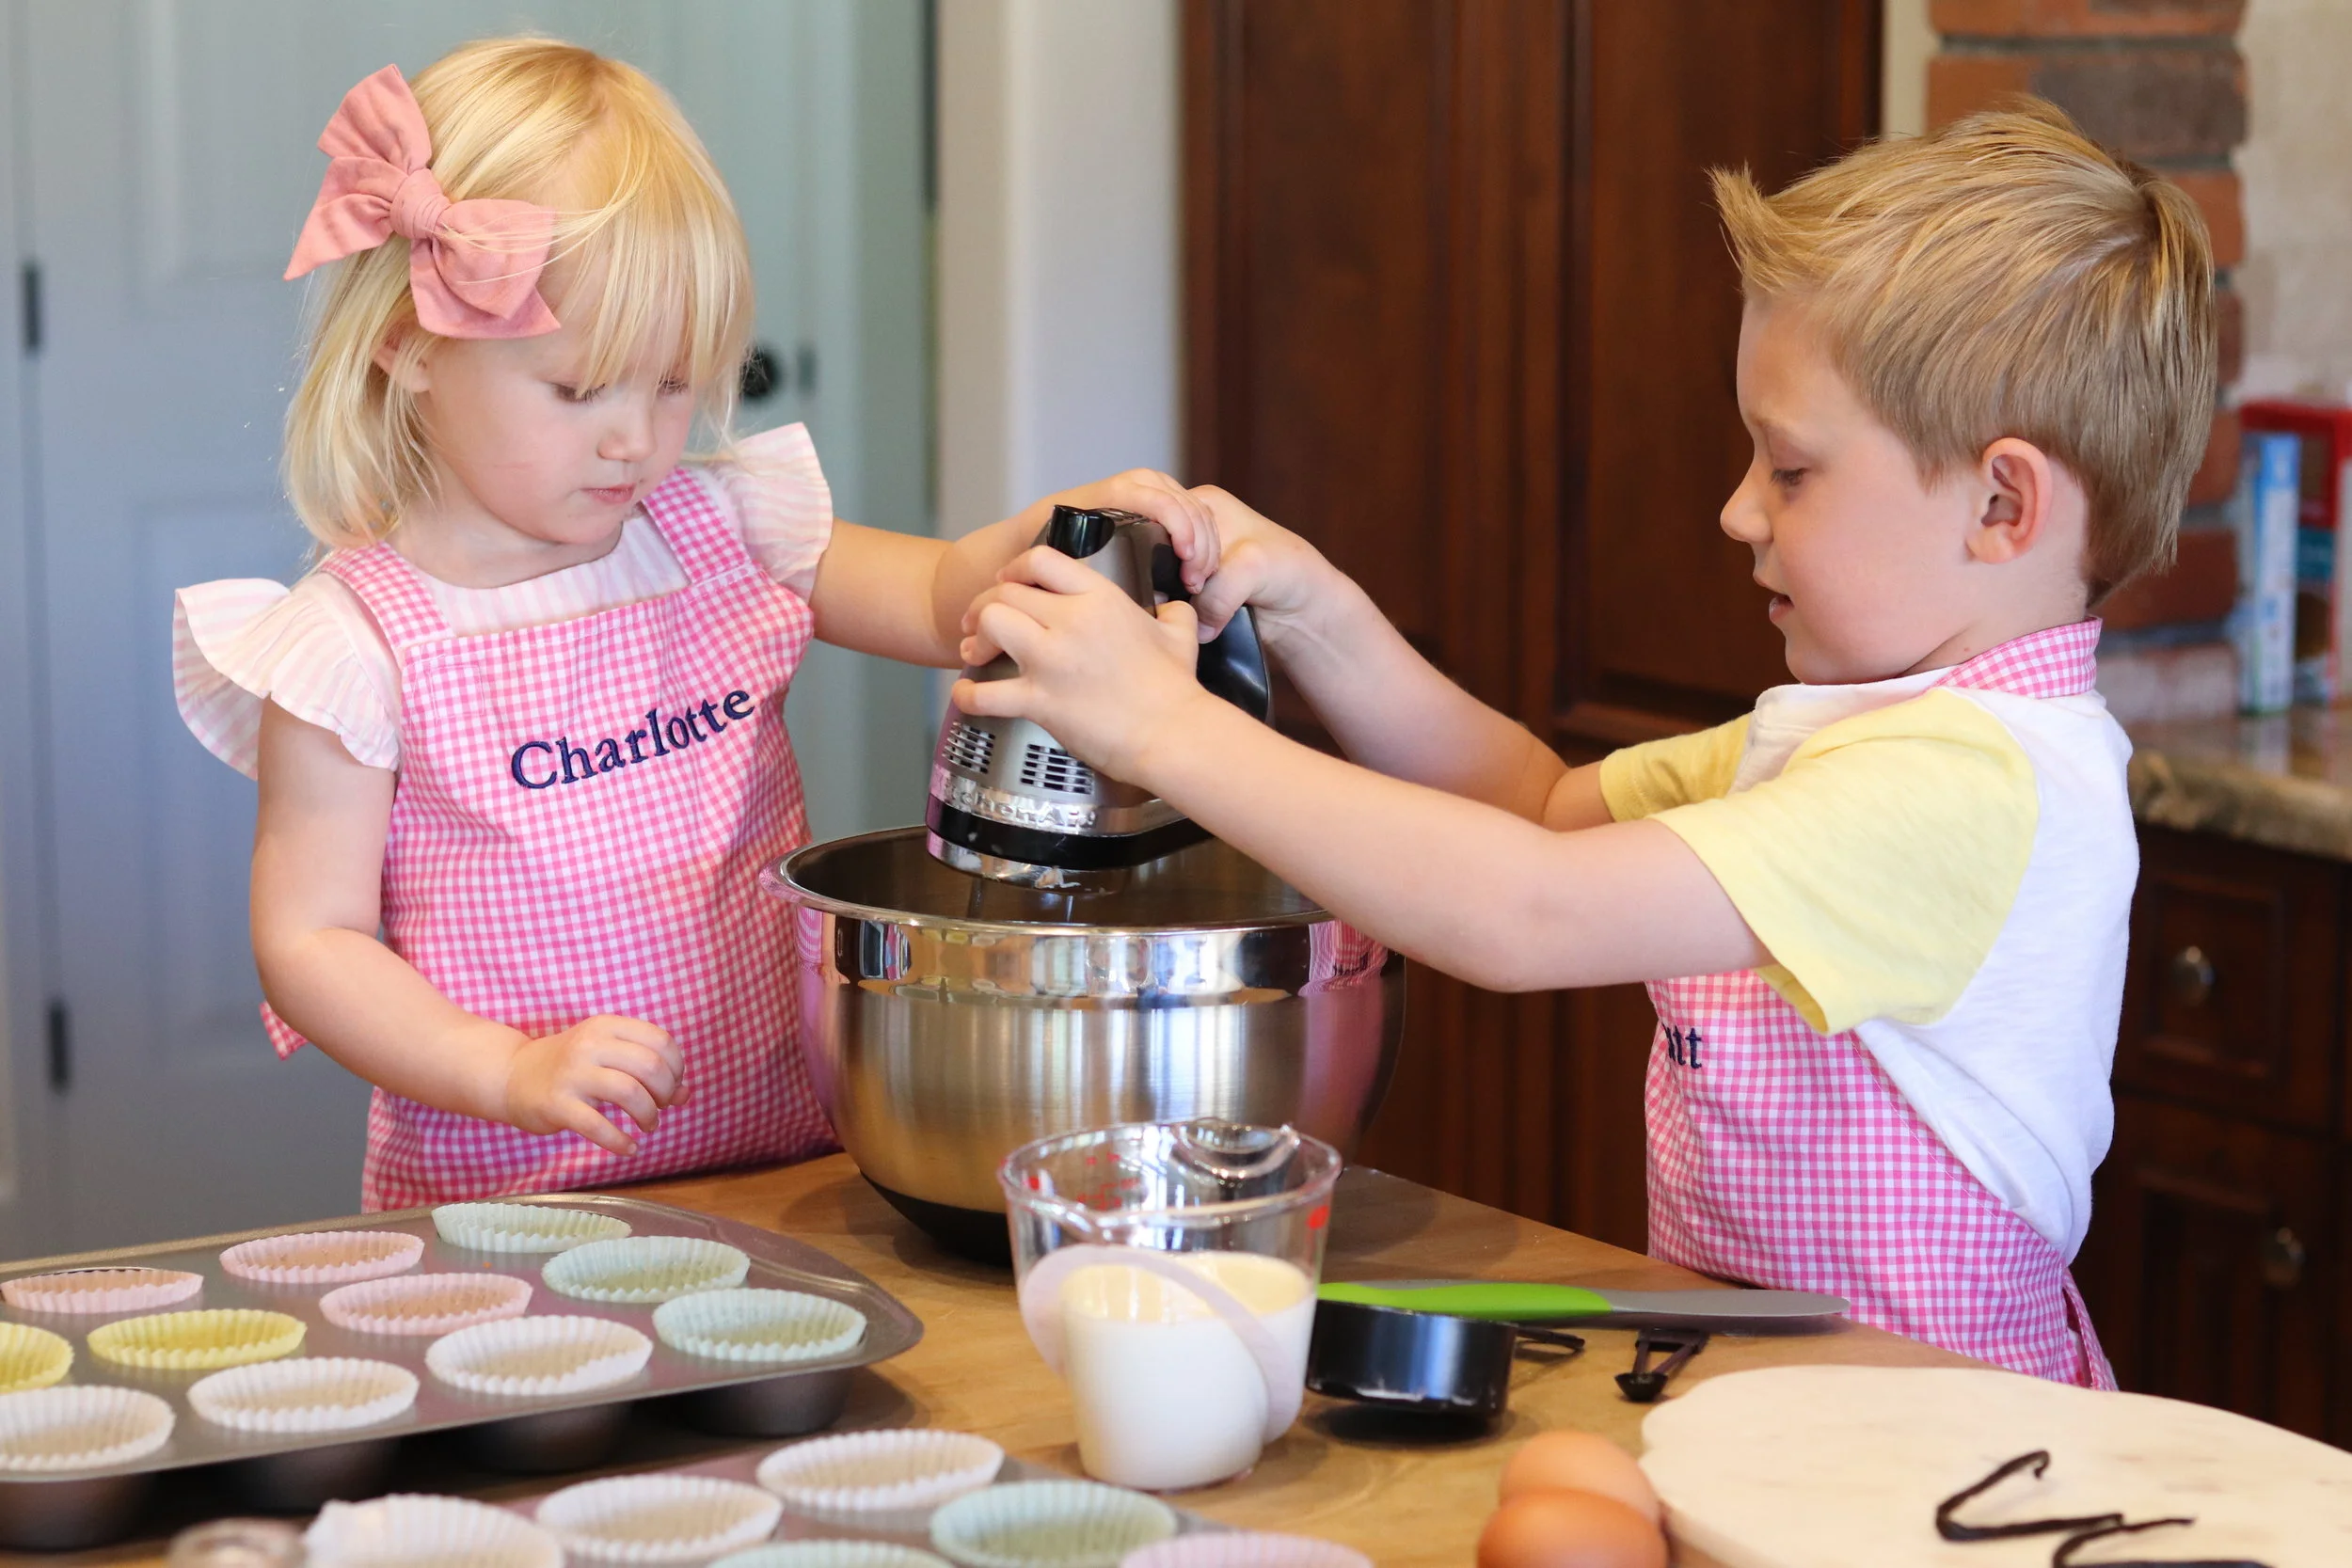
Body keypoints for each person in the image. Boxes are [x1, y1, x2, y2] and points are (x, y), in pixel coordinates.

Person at [953, 101, 2217, 1385]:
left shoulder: (1966, 788)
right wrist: (1316, 611)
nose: (1737, 510)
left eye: (1790, 469)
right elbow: (1543, 804)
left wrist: (1165, 730)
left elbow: (1529, 911)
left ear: (2001, 503)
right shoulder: (1869, 737)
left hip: (1924, 1432)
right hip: (1778, 1388)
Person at [171, 40, 1216, 1210]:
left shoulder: (722, 527)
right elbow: (312, 943)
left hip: (788, 1173)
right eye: (579, 390)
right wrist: (505, 1069)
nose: (636, 438)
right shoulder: (351, 645)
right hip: (510, 1213)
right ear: (409, 351)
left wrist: (1059, 529)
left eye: (673, 383)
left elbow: (939, 600)